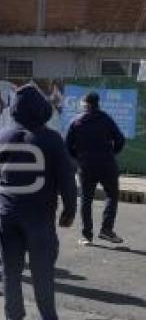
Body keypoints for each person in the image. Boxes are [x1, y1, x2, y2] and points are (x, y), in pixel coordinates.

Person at [0, 85, 80, 320]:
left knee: (11, 273)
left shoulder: (0, 137)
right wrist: (69, 211)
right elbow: (67, 181)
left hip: (6, 213)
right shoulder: (51, 139)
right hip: (38, 216)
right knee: (42, 273)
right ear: (43, 109)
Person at [64, 91, 125, 245]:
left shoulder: (76, 121)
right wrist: (111, 153)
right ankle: (106, 230)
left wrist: (78, 158)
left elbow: (67, 146)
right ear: (98, 104)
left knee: (86, 199)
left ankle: (86, 236)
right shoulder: (106, 119)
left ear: (85, 104)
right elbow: (120, 140)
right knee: (112, 195)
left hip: (86, 166)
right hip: (107, 164)